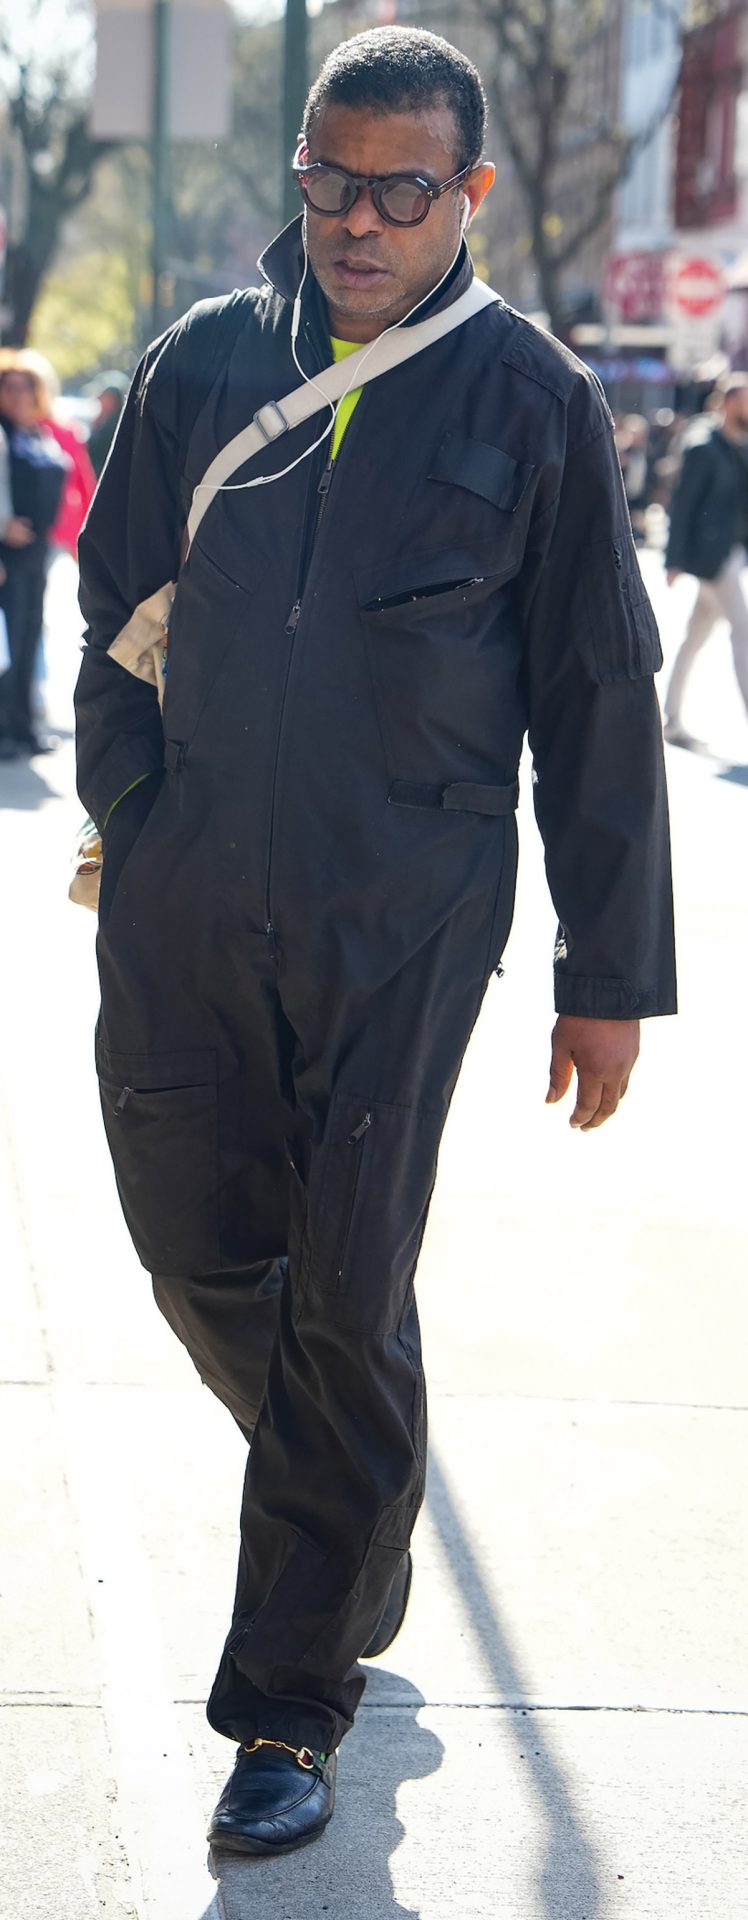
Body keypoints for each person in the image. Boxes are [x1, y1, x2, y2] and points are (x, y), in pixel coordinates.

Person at [74, 27, 676, 1859]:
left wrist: (604, 976)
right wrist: (139, 816)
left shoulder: (532, 400)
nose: (355, 220)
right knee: (197, 1256)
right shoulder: (198, 363)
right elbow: (113, 610)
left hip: (402, 917)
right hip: (186, 902)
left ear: (467, 194)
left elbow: (596, 690)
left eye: (400, 191)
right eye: (328, 182)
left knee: (343, 1287)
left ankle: (287, 1701)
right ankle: (356, 1504)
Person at [664, 371, 748, 748]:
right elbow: (683, 506)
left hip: (732, 553)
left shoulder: (740, 447)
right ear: (729, 403)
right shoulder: (703, 447)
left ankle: (671, 717)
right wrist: (674, 559)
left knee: (694, 637)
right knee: (743, 631)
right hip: (715, 558)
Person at [0, 354, 67, 758]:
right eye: (9, 387)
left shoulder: (41, 433)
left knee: (28, 640)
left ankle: (24, 727)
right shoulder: (3, 434)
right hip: (6, 557)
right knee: (5, 645)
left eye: (26, 386)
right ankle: (4, 731)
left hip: (36, 556)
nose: (18, 395)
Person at [84, 371, 128, 478]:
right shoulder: (104, 422)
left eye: (103, 395)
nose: (99, 398)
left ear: (113, 398)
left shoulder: (115, 428)